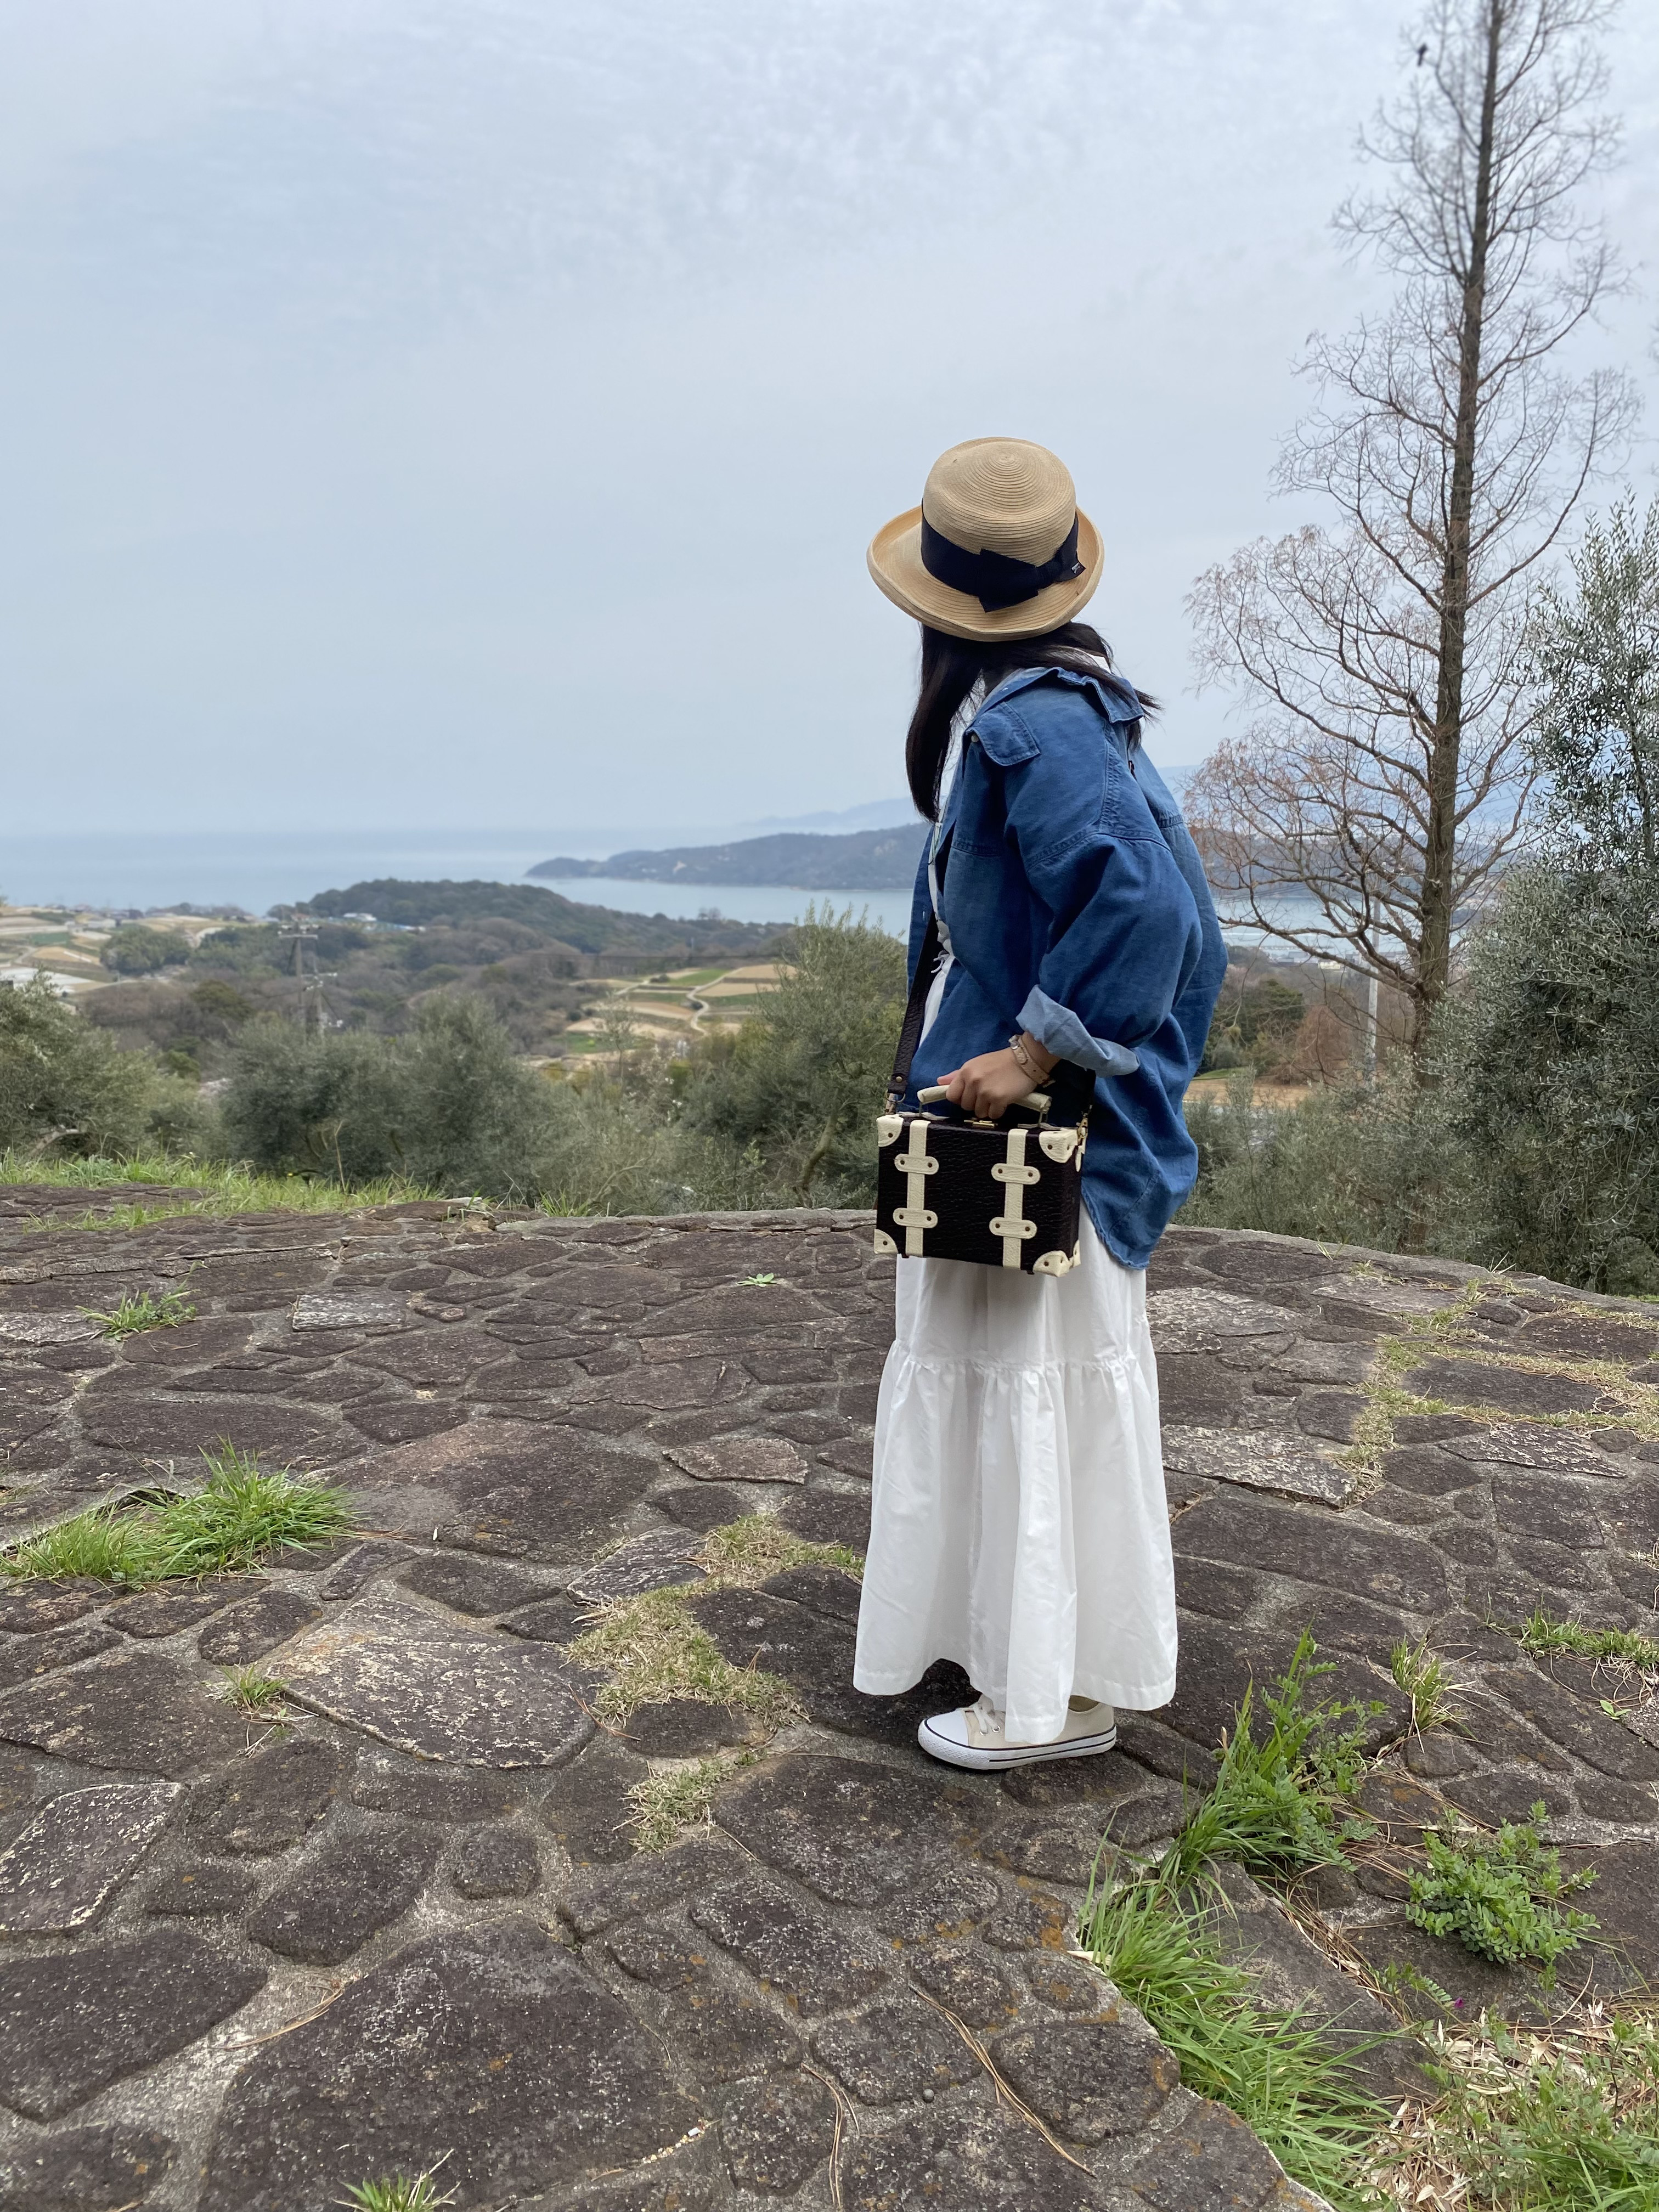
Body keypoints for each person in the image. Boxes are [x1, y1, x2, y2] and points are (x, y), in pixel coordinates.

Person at [854, 436, 1226, 1771]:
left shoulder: (1035, 723)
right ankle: (1026, 1658)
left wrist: (1030, 1053)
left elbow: (1153, 916)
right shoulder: (1066, 707)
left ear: (940, 607)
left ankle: (1047, 1703)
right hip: (1046, 1149)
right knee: (1027, 1396)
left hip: (1045, 1150)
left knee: (1028, 1389)